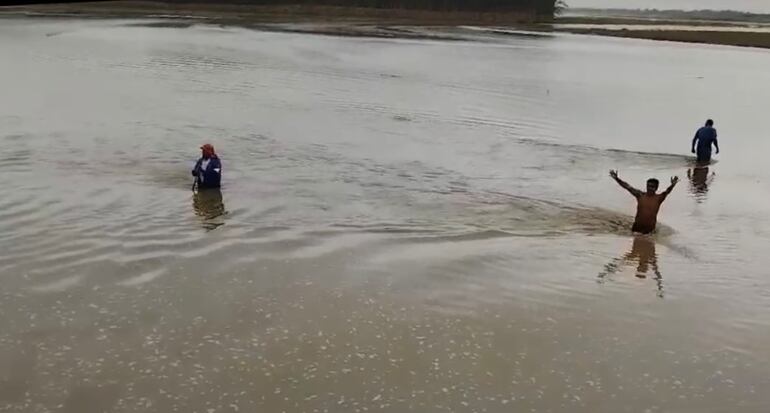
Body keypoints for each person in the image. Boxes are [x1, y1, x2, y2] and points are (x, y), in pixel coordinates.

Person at [609, 170, 679, 234]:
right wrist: (617, 178)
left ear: (656, 188)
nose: (649, 188)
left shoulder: (659, 198)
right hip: (637, 228)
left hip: (650, 230)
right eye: (648, 186)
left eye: (652, 186)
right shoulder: (640, 195)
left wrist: (673, 184)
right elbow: (628, 187)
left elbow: (667, 191)